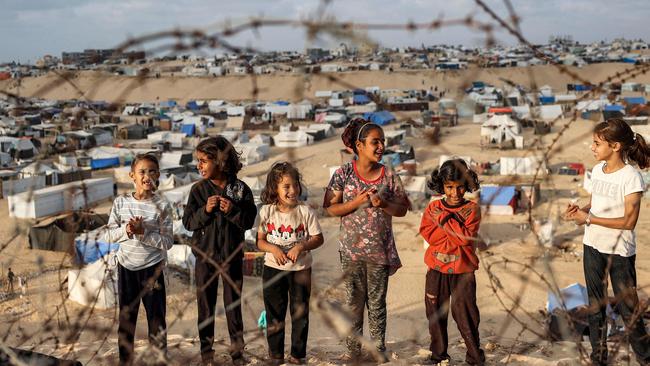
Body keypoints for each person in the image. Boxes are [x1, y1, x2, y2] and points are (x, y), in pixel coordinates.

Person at [565, 118, 650, 366]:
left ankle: (645, 357)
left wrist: (588, 218)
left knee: (628, 309)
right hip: (592, 246)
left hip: (619, 253)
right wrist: (579, 211)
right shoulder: (598, 171)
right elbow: (596, 200)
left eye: (597, 143)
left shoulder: (631, 177)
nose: (592, 148)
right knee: (595, 306)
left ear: (615, 146)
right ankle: (598, 358)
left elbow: (628, 222)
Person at [323, 118, 410, 362]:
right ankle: (353, 351)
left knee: (377, 304)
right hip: (350, 252)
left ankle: (378, 349)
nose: (381, 146)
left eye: (383, 141)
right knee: (353, 304)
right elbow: (330, 208)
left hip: (379, 252)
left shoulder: (389, 176)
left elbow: (402, 209)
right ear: (359, 145)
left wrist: (383, 204)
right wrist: (355, 203)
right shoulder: (344, 173)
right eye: (375, 142)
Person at [182, 136, 257, 366]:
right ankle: (207, 353)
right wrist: (205, 210)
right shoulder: (198, 190)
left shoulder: (240, 189)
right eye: (198, 161)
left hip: (232, 257)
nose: (199, 166)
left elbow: (249, 221)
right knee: (205, 305)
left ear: (221, 161)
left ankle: (237, 353)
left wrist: (233, 211)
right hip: (205, 258)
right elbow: (188, 222)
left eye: (204, 161)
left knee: (233, 305)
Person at [104, 153, 173, 365]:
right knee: (127, 319)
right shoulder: (121, 203)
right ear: (132, 176)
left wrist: (143, 233)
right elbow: (108, 235)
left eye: (152, 171)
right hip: (126, 269)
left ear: (158, 175)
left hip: (153, 270)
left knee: (156, 321)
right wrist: (127, 230)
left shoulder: (162, 205)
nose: (147, 176)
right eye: (142, 171)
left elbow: (168, 242)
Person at [256, 162, 324, 365]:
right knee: (274, 314)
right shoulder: (267, 212)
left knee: (299, 314)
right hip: (272, 270)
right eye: (286, 186)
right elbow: (260, 241)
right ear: (274, 188)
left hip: (300, 271)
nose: (292, 190)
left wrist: (300, 247)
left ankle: (297, 356)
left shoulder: (306, 212)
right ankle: (275, 355)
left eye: (295, 185)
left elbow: (318, 238)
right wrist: (274, 249)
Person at [419, 159, 485, 366]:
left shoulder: (472, 209)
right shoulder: (433, 208)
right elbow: (430, 236)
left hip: (463, 272)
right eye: (449, 187)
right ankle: (439, 355)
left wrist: (446, 221)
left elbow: (466, 238)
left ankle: (475, 357)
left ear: (467, 185)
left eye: (460, 187)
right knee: (435, 313)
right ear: (442, 186)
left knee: (466, 315)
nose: (455, 193)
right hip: (436, 270)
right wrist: (455, 234)